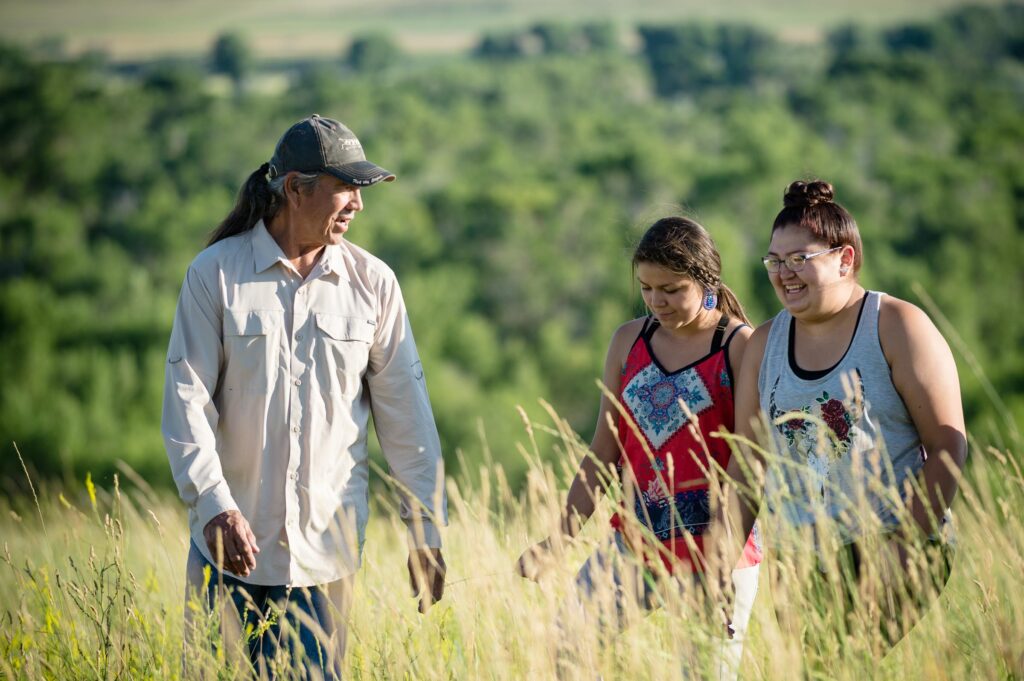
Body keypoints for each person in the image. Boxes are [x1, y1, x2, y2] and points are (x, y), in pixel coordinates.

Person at [161, 114, 447, 679]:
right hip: (225, 555)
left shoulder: (375, 285)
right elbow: (185, 402)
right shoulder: (214, 275)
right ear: (295, 188)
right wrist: (215, 506)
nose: (358, 205)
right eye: (347, 188)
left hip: (324, 561)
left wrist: (425, 532)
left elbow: (408, 423)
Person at [710, 179, 967, 655]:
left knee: (842, 666)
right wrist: (719, 567)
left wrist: (904, 546)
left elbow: (949, 447)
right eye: (774, 261)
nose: (784, 273)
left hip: (894, 542)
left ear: (844, 259)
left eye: (799, 260)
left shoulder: (896, 326)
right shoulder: (763, 344)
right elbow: (747, 466)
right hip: (801, 563)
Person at [518, 217, 762, 680]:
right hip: (633, 543)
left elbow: (750, 465)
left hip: (717, 553)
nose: (657, 301)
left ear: (706, 279)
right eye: (647, 288)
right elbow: (602, 451)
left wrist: (719, 564)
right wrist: (559, 539)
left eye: (672, 289)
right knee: (568, 647)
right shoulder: (629, 341)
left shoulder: (739, 345)